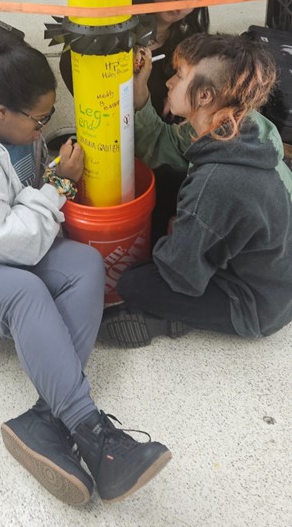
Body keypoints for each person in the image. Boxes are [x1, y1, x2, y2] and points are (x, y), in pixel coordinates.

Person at [0, 25, 171, 507]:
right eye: (38, 122)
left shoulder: (4, 128)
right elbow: (14, 247)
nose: (43, 129)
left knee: (83, 262)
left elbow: (18, 212)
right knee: (24, 293)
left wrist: (51, 177)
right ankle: (93, 433)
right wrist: (59, 188)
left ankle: (44, 419)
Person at [99, 33, 292, 347]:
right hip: (274, 272)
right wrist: (140, 96)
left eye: (180, 75)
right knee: (169, 194)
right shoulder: (242, 127)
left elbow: (180, 273)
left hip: (257, 304)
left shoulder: (216, 181)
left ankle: (168, 318)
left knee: (135, 282)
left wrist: (176, 233)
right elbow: (166, 146)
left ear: (205, 97)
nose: (170, 83)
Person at [59, 0, 210, 118]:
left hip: (156, 135)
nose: (182, 1)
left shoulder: (190, 49)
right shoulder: (112, 26)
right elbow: (69, 63)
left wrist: (184, 101)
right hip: (104, 127)